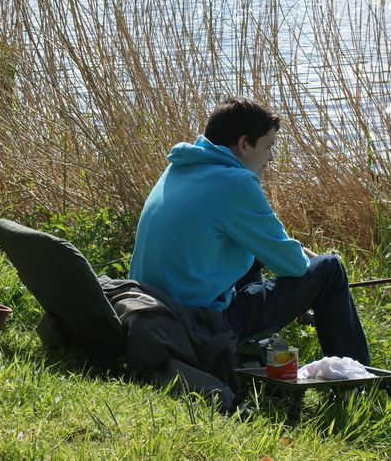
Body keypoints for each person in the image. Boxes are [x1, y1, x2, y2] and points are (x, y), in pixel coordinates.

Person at [129, 96, 370, 365]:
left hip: (153, 313)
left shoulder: (180, 167)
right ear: (244, 144)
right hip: (200, 325)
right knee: (329, 269)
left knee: (253, 252)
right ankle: (356, 377)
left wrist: (289, 249)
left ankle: (248, 356)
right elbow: (293, 266)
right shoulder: (237, 183)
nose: (271, 157)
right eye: (269, 146)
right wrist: (307, 263)